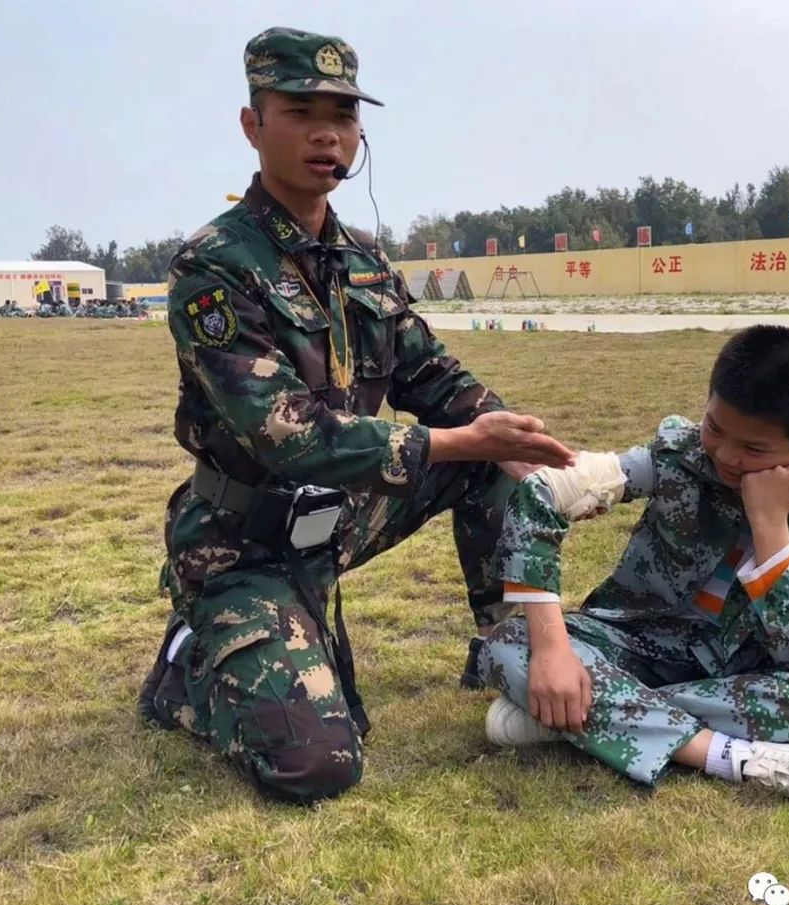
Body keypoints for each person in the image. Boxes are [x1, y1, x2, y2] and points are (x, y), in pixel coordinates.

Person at [136, 26, 574, 805]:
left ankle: (507, 652)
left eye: (341, 114)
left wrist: (504, 433)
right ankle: (187, 666)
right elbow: (287, 434)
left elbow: (431, 373)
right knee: (320, 765)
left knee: (489, 461)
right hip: (242, 543)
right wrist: (452, 439)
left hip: (336, 520)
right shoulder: (215, 267)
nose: (326, 134)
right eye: (300, 111)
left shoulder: (365, 261)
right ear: (252, 124)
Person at [479, 325, 789, 812]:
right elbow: (544, 492)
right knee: (512, 642)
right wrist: (550, 651)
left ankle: (582, 715)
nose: (726, 456)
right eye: (715, 428)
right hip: (639, 642)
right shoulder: (677, 453)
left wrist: (771, 529)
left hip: (745, 671)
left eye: (754, 449)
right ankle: (739, 758)